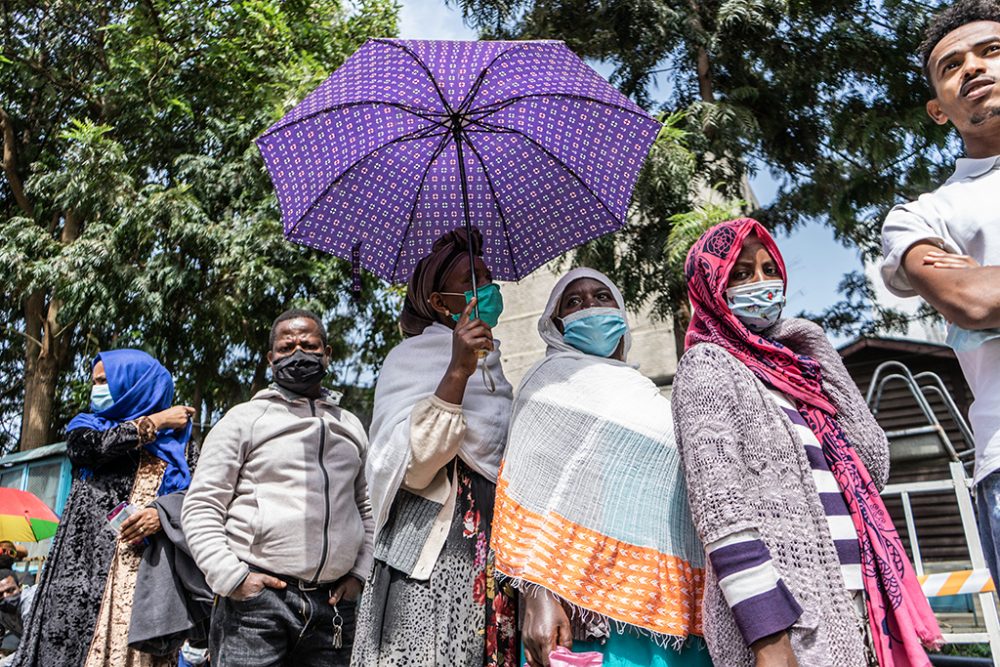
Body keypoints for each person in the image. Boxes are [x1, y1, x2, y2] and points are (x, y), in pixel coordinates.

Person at [673, 219, 943, 667]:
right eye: (740, 274)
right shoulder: (709, 366)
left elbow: (873, 463)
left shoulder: (797, 373)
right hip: (791, 632)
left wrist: (818, 353)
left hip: (861, 609)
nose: (761, 284)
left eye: (768, 269)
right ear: (711, 288)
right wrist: (769, 640)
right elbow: (722, 515)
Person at [490, 268, 710, 667]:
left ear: (622, 315)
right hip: (582, 611)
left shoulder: (643, 391)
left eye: (601, 297)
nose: (590, 307)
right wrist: (537, 596)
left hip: (663, 607)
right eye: (573, 303)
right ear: (556, 326)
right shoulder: (545, 389)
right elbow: (525, 501)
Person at [352, 227, 518, 667]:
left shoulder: (495, 364)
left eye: (488, 277)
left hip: (491, 543)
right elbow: (413, 462)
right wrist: (457, 371)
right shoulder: (407, 360)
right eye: (471, 281)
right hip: (428, 552)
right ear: (441, 303)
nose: (486, 289)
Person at [879, 0, 1000, 587]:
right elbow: (969, 302)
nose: (973, 68)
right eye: (953, 66)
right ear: (937, 109)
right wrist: (970, 288)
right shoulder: (921, 216)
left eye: (992, 51)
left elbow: (983, 291)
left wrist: (985, 275)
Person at [182, 308, 373, 667]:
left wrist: (359, 575)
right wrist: (232, 578)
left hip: (333, 608)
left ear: (327, 354)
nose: (298, 354)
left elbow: (365, 506)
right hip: (256, 607)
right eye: (287, 348)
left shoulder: (350, 425)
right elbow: (202, 506)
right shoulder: (244, 420)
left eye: (309, 345)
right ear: (271, 359)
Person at [13, 349, 195, 667]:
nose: (97, 388)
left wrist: (161, 514)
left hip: (147, 579)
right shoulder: (88, 427)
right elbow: (88, 451)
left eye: (104, 381)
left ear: (137, 385)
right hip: (82, 578)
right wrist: (151, 423)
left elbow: (198, 497)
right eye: (95, 381)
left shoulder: (181, 447)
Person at [0, 570, 33, 662]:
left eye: (10, 590)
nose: (6, 597)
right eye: (0, 594)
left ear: (20, 587)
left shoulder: (29, 603)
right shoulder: (2, 609)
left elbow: (32, 646)